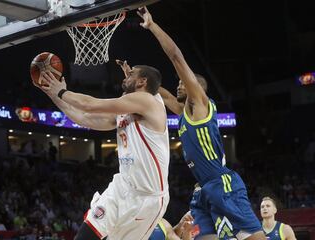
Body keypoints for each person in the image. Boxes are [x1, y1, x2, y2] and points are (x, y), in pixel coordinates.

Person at [136, 6, 267, 240]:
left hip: (222, 183)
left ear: (197, 89)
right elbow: (162, 95)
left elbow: (176, 56)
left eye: (183, 83)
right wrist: (136, 80)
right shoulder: (184, 112)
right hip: (203, 187)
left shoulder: (200, 104)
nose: (178, 85)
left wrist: (153, 26)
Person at [36, 63, 170, 240]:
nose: (125, 77)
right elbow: (84, 118)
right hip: (122, 187)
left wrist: (62, 91)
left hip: (147, 198)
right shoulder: (125, 110)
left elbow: (90, 105)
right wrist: (54, 95)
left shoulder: (148, 101)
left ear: (142, 81)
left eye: (130, 75)